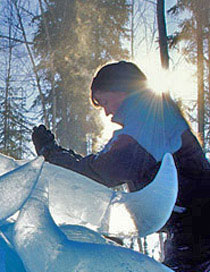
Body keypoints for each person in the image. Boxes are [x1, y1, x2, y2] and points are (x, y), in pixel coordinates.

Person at [32, 60, 210, 272]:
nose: (106, 112)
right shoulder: (155, 116)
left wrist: (50, 153)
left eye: (104, 100)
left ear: (121, 88)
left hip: (198, 229)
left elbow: (98, 172)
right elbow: (100, 166)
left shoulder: (148, 119)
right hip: (193, 228)